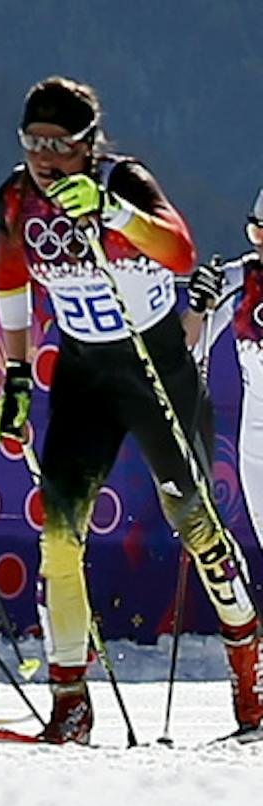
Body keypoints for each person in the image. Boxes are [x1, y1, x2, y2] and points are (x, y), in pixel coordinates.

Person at [0, 75, 261, 743]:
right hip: (85, 370)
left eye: (60, 144)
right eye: (32, 142)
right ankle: (70, 704)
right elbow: (11, 280)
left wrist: (112, 212)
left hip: (155, 365)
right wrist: (18, 372)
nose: (44, 157)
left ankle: (251, 675)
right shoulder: (17, 198)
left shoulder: (125, 179)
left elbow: (179, 249)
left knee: (193, 520)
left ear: (89, 144)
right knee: (58, 536)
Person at [189, 182, 263, 568]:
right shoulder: (242, 279)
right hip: (258, 444)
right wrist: (200, 305)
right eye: (257, 233)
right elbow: (189, 343)